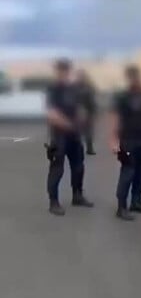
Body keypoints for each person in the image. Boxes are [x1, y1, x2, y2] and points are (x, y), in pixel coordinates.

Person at [46, 59, 94, 216]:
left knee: (78, 167)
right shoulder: (53, 89)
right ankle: (54, 202)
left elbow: (79, 107)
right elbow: (52, 114)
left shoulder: (73, 89)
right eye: (61, 70)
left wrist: (82, 117)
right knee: (57, 170)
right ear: (57, 71)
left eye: (66, 70)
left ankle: (77, 196)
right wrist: (69, 125)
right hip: (59, 137)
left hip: (74, 136)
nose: (64, 73)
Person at [109, 65, 141, 221]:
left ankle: (136, 201)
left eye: (137, 76)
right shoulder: (122, 97)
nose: (136, 80)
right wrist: (114, 140)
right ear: (129, 78)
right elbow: (115, 118)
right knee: (127, 173)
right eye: (132, 77)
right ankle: (121, 207)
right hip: (128, 140)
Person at [76, 69, 97, 155]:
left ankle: (89, 148)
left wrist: (93, 112)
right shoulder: (76, 88)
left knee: (87, 132)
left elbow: (92, 101)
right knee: (78, 132)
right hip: (78, 112)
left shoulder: (88, 88)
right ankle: (84, 149)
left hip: (87, 112)